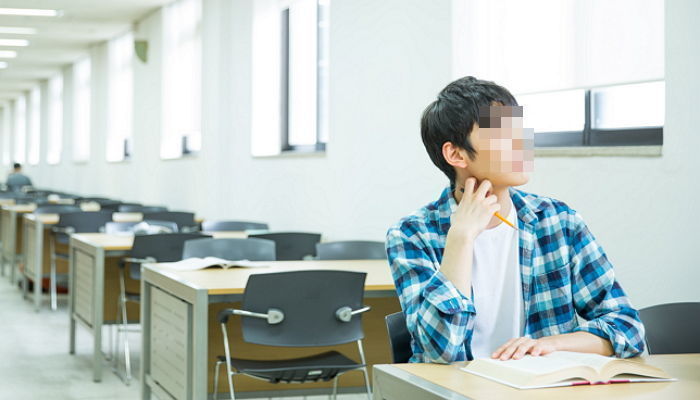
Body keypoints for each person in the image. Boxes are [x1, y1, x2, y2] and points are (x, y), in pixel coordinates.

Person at [386, 76, 645, 363]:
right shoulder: (412, 234)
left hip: (543, 389)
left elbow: (628, 328)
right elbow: (440, 350)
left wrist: (551, 345)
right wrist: (461, 237)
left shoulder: (558, 221)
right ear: (456, 154)